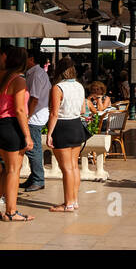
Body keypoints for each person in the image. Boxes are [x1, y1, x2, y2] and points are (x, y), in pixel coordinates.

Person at [0, 46, 33, 222]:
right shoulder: (18, 81)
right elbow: (20, 110)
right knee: (13, 170)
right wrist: (27, 135)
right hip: (11, 125)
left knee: (6, 169)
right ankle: (11, 212)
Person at [46, 57, 89, 213]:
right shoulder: (79, 86)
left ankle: (68, 204)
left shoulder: (58, 87)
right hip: (76, 125)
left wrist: (49, 133)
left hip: (62, 126)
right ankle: (74, 200)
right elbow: (83, 110)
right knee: (74, 166)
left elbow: (54, 113)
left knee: (66, 169)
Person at [22, 49, 51, 194]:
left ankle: (38, 179)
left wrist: (27, 116)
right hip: (36, 115)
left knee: (34, 149)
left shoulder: (36, 74)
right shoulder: (34, 73)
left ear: (31, 59)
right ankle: (34, 177)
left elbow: (34, 98)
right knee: (33, 148)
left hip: (35, 117)